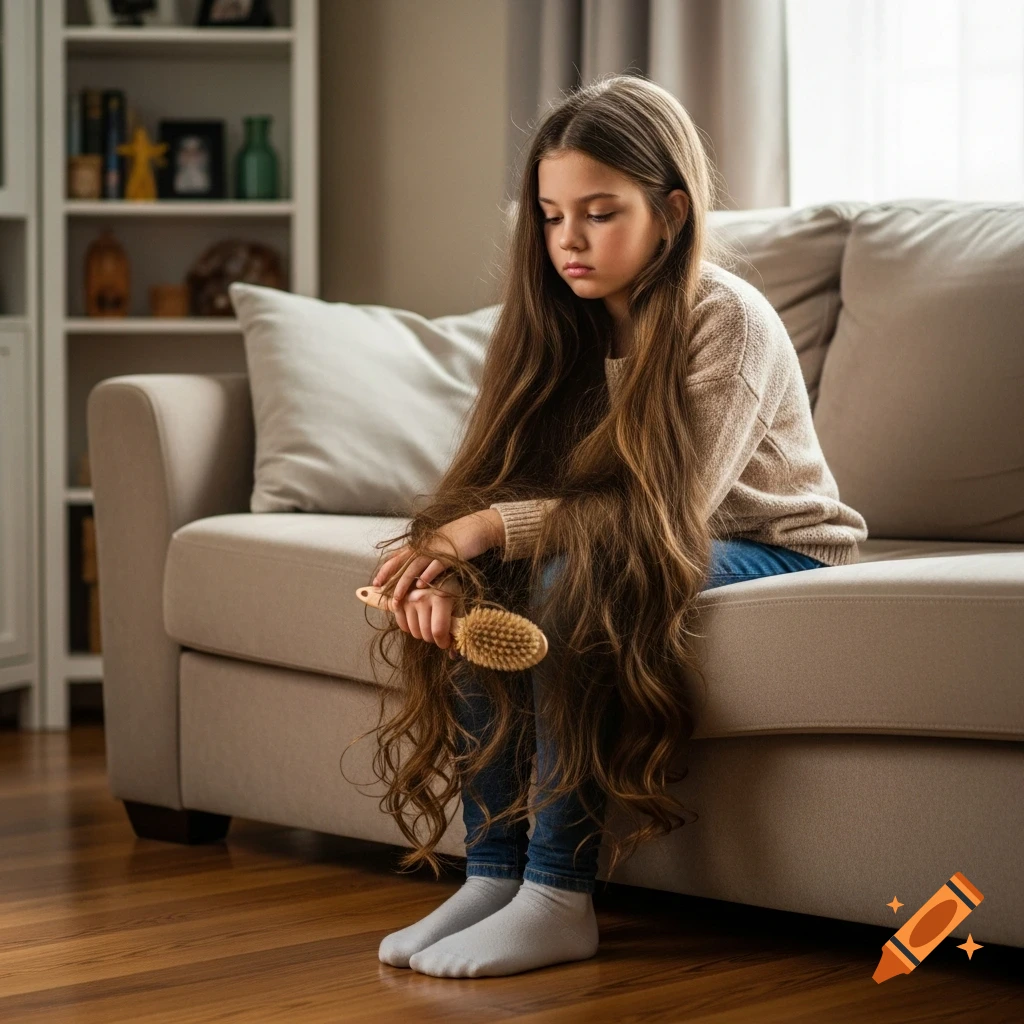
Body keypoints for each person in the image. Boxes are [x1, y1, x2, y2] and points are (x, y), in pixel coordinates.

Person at [362, 73, 868, 979]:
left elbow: (661, 512)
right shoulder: (559, 321)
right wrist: (442, 567)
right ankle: (494, 870)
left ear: (670, 211)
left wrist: (488, 530)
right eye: (552, 216)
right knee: (486, 575)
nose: (569, 242)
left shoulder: (729, 321)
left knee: (571, 578)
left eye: (600, 212)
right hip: (644, 530)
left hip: (779, 544)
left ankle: (559, 894)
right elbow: (498, 485)